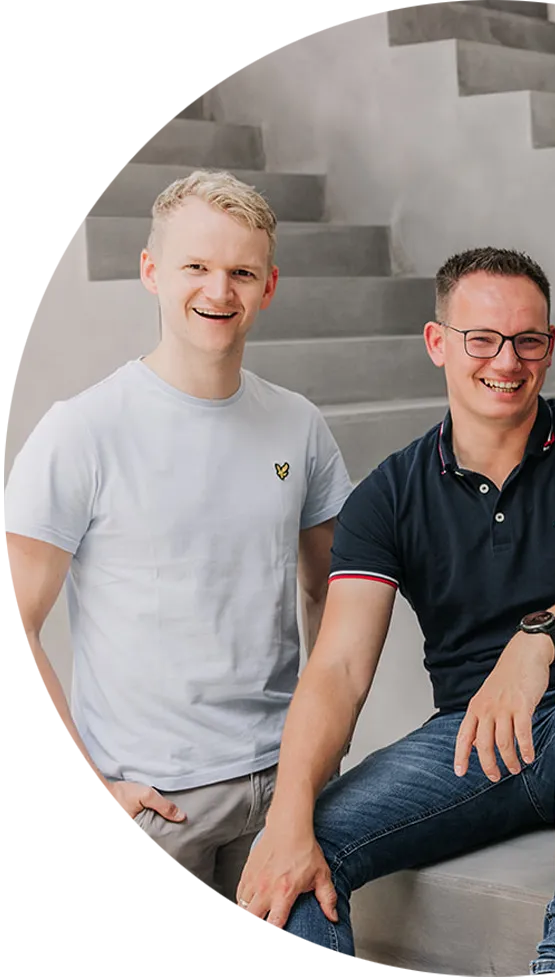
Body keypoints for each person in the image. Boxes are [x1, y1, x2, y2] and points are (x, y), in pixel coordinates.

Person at [235, 246, 555, 976]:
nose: (507, 360)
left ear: (550, 346)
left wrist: (535, 643)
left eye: (527, 340)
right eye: (483, 339)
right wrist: (285, 813)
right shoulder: (387, 495)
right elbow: (339, 667)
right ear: (438, 342)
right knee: (299, 850)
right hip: (480, 742)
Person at [4, 170, 352, 906]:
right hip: (157, 807)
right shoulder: (83, 429)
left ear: (269, 285)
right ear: (151, 270)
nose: (218, 291)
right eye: (196, 266)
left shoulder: (299, 425)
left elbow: (332, 591)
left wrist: (321, 752)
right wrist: (85, 785)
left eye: (241, 272)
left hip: (284, 793)